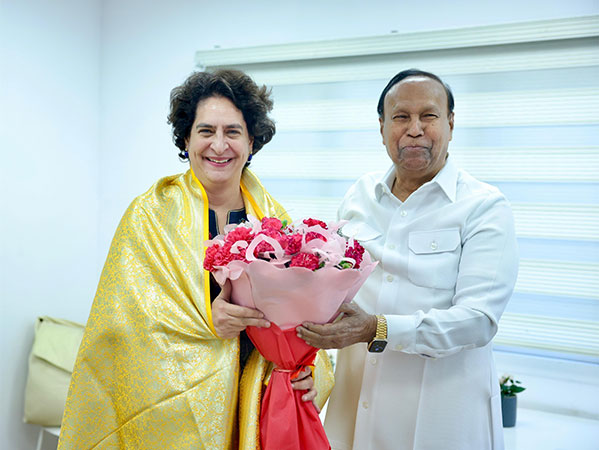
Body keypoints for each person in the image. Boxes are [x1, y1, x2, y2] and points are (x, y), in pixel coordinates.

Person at [59, 69, 333, 449]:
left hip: (254, 405)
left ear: (251, 142)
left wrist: (307, 370)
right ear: (185, 140)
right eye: (206, 131)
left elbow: (302, 323)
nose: (219, 145)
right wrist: (209, 324)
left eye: (232, 132)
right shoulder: (149, 215)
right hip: (173, 414)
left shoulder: (276, 221)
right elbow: (125, 331)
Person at [297, 69, 519, 450]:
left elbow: (479, 321)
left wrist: (376, 329)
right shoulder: (359, 196)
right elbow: (332, 287)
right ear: (382, 127)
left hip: (441, 415)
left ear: (450, 123)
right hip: (354, 407)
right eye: (401, 117)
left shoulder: (484, 206)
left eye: (428, 116)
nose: (414, 129)